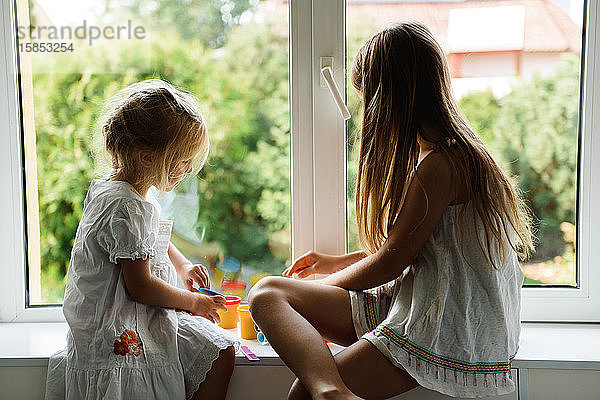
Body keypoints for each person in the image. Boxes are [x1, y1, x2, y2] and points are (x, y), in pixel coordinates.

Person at [248, 22, 533, 400]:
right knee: (267, 292)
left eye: (367, 99)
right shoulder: (454, 154)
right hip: (424, 299)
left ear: (389, 99)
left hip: (444, 324)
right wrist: (338, 262)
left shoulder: (442, 165)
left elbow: (389, 265)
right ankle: (330, 390)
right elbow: (421, 245)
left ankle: (330, 392)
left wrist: (316, 288)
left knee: (300, 389)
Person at [45, 79, 239, 400]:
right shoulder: (124, 205)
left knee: (220, 351)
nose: (188, 170)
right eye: (182, 160)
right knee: (213, 353)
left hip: (139, 315)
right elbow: (141, 287)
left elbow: (151, 236)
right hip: (118, 332)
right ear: (148, 157)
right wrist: (193, 302)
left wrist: (183, 265)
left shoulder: (130, 193)